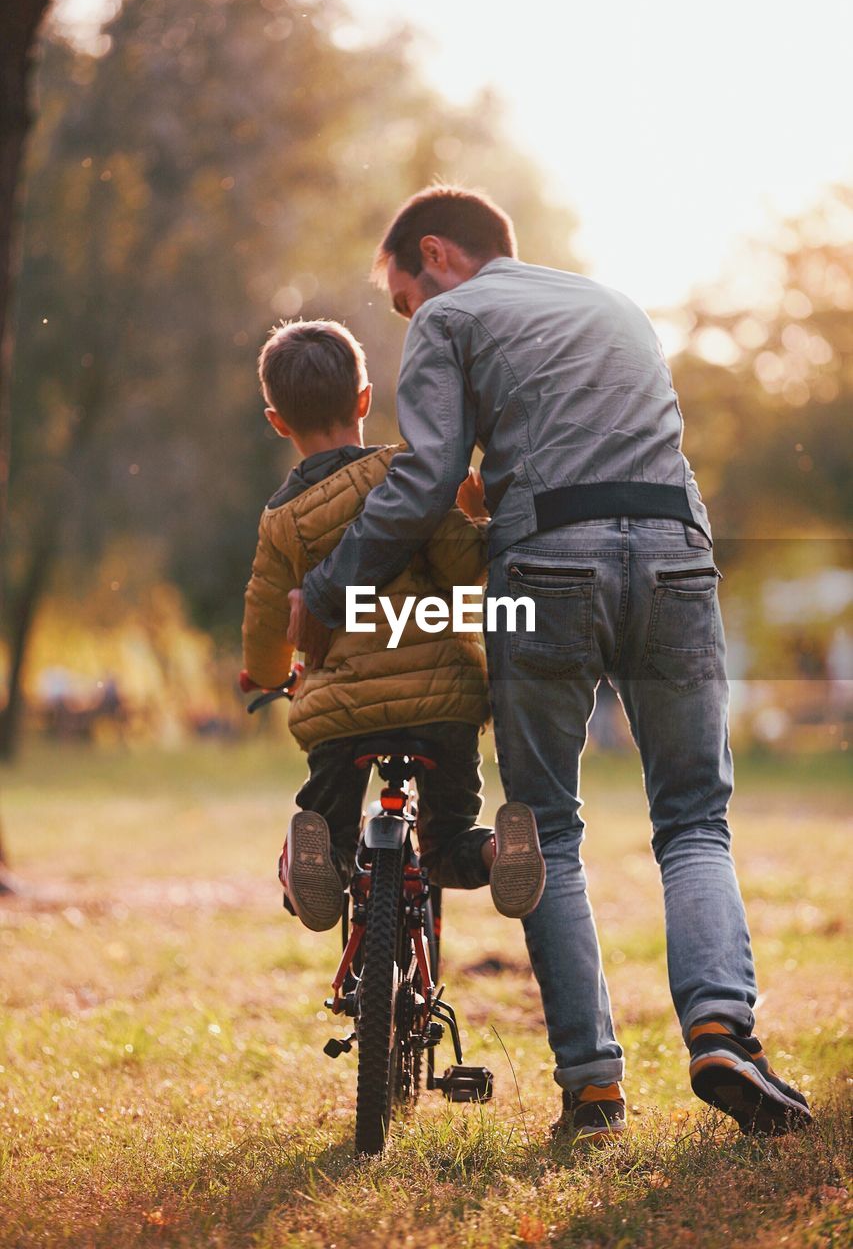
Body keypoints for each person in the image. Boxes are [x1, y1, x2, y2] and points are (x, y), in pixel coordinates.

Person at [291, 188, 813, 1142]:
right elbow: (612, 447)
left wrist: (327, 590)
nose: (412, 319)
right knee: (693, 817)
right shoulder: (610, 303)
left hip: (545, 570)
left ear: (435, 256)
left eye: (404, 299)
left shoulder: (452, 315)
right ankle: (719, 1031)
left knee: (546, 830)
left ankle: (594, 1089)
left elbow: (425, 476)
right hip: (674, 556)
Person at [241, 317, 546, 932]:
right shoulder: (407, 479)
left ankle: (319, 858)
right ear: (365, 399)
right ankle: (496, 850)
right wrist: (474, 515)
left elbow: (267, 614)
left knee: (326, 824)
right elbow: (465, 565)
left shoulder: (280, 522)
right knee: (444, 843)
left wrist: (271, 675)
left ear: (277, 421)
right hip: (444, 703)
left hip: (343, 712)